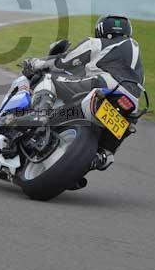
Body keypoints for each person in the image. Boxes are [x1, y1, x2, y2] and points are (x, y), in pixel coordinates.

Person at [18, 14, 145, 170]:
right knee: (122, 129)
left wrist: (35, 63)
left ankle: (40, 113)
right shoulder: (135, 57)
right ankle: (103, 155)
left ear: (101, 29)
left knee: (49, 79)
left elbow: (64, 61)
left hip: (105, 84)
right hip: (132, 100)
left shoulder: (97, 43)